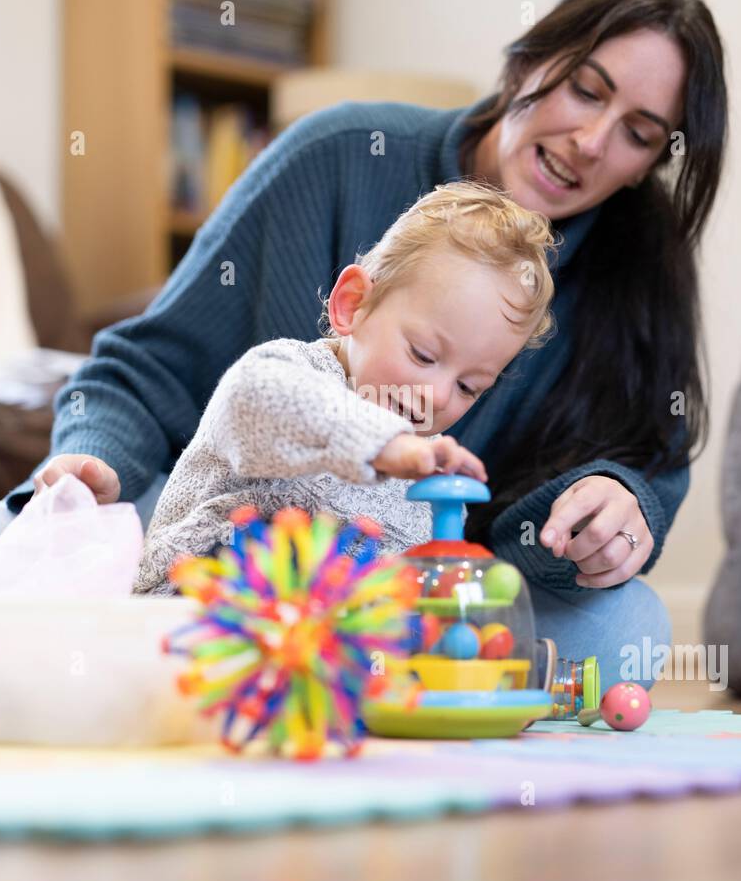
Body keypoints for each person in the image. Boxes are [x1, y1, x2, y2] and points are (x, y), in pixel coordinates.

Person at [0, 0, 728, 692]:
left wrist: (618, 507)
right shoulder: (339, 157)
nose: (589, 140)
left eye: (639, 134)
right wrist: (94, 468)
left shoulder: (636, 270)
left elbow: (646, 460)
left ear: (657, 160)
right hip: (226, 530)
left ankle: (330, 683)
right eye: (586, 89)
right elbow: (153, 367)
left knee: (630, 630)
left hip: (414, 586)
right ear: (534, 58)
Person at [134, 180, 554, 594]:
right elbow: (253, 397)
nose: (439, 396)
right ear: (353, 304)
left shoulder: (430, 478)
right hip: (188, 610)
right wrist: (385, 446)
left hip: (321, 648)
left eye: (468, 387)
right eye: (423, 355)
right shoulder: (295, 371)